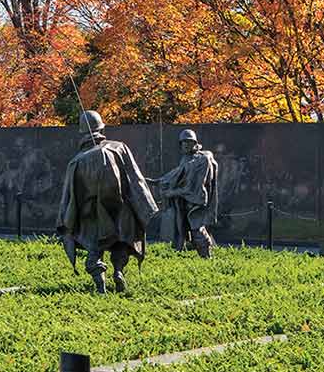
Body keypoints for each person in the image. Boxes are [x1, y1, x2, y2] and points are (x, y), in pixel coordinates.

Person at [57, 110, 158, 293]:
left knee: (94, 247)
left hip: (91, 214)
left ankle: (100, 284)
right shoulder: (119, 147)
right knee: (120, 241)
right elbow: (135, 178)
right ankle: (118, 271)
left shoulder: (76, 162)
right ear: (102, 127)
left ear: (82, 132)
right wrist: (145, 205)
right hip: (121, 208)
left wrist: (67, 222)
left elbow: (70, 197)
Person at [156, 128, 218, 258]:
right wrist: (156, 182)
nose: (185, 145)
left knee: (197, 228)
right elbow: (176, 174)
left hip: (196, 199)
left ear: (195, 143)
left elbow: (192, 187)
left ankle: (207, 257)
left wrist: (171, 193)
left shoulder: (202, 160)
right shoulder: (186, 159)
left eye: (189, 142)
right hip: (185, 199)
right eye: (183, 142)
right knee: (183, 227)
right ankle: (190, 249)